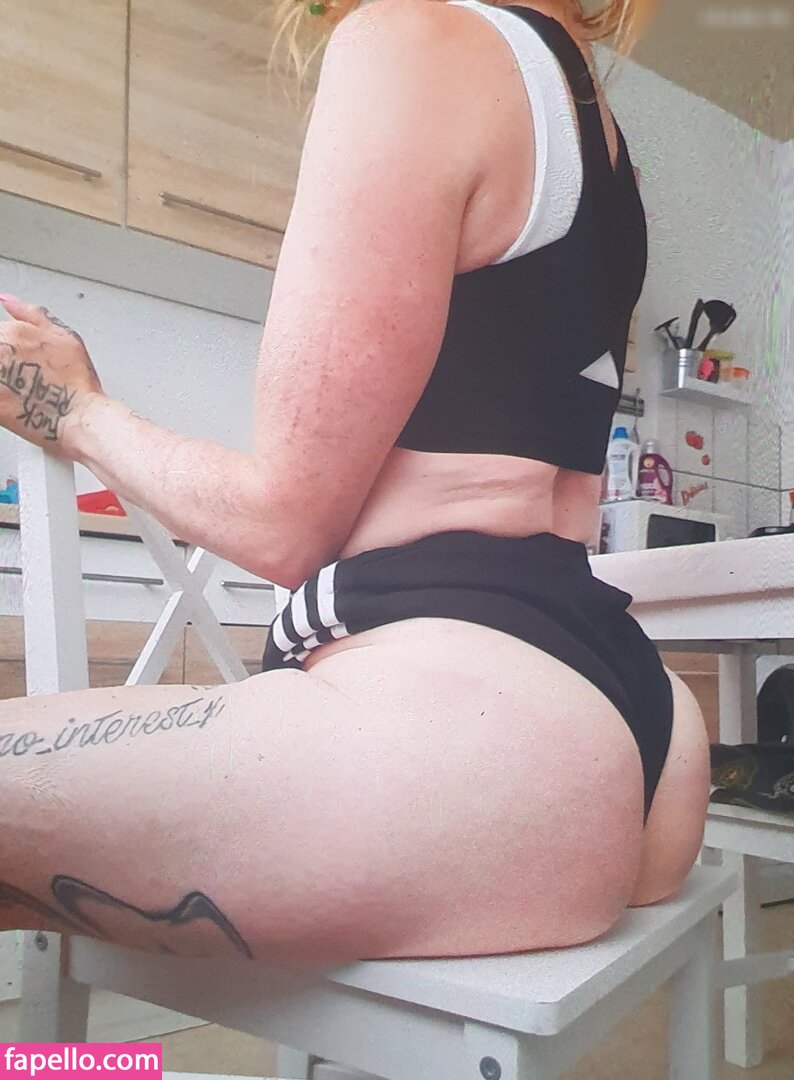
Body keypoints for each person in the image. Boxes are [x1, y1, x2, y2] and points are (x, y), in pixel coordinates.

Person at [0, 0, 709, 966]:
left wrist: (74, 411)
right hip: (629, 707)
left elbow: (282, 522)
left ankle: (52, 1053)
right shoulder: (592, 123)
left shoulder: (417, 39)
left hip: (466, 726)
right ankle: (58, 1053)